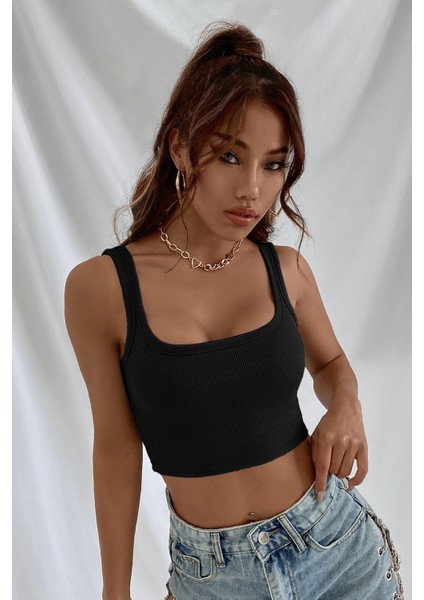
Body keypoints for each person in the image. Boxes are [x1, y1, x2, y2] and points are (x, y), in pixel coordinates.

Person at [64, 21, 404, 600]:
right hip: (212, 577)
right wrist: (114, 591)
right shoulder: (102, 289)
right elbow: (116, 448)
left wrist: (347, 403)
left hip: (336, 551)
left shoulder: (286, 271)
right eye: (229, 156)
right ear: (179, 147)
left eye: (273, 165)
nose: (252, 189)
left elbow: (332, 366)